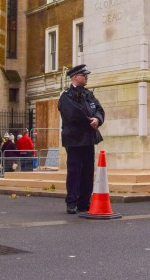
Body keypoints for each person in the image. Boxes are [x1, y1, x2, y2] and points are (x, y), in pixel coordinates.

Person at [58, 63, 104, 214]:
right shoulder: (66, 95)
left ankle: (84, 202)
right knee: (74, 171)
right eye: (84, 75)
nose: (86, 78)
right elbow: (73, 113)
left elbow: (98, 108)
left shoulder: (88, 94)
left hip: (88, 138)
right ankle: (72, 202)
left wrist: (97, 119)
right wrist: (90, 121)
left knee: (87, 173)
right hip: (75, 139)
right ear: (75, 77)